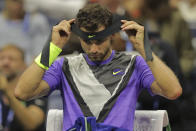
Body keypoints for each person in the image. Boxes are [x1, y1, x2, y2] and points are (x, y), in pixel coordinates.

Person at [15, 3, 182, 131]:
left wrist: (145, 49)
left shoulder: (134, 63)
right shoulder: (64, 65)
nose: (93, 49)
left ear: (112, 35)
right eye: (87, 42)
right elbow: (22, 93)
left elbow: (172, 91)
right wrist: (51, 48)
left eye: (99, 41)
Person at [0, 44, 47, 131]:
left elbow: (31, 124)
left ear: (24, 66)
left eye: (11, 59)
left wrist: (7, 91)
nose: (5, 62)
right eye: (1, 58)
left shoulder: (35, 91)